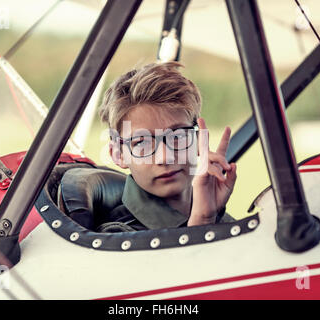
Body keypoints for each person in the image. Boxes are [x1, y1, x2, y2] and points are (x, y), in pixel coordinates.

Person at [97, 61, 237, 231]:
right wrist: (202, 223)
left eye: (178, 136)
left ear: (199, 140)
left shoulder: (216, 212)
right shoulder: (117, 235)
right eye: (142, 142)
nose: (165, 157)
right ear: (119, 154)